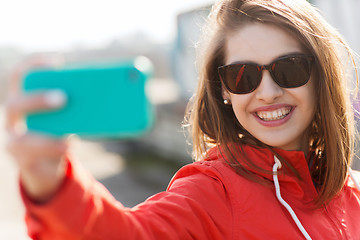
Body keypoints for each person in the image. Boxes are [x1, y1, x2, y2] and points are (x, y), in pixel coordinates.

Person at [5, 0, 360, 239]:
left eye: (289, 68)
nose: (266, 92)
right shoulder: (212, 192)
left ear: (322, 77)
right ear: (224, 90)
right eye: (243, 77)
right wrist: (53, 187)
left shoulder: (353, 192)